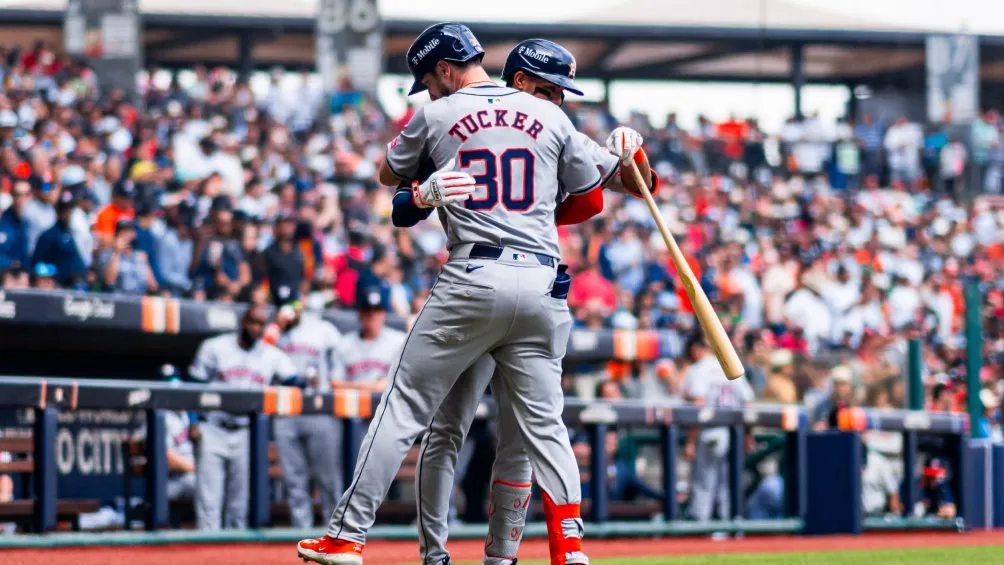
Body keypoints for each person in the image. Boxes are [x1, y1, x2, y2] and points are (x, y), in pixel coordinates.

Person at [298, 23, 608, 565]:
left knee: (403, 408)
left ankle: (348, 535)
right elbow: (592, 195)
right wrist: (629, 157)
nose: (427, 89)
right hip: (542, 282)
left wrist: (421, 192)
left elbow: (386, 175)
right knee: (544, 427)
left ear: (444, 68)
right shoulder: (552, 114)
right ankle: (569, 547)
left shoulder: (437, 114)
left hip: (474, 276)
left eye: (427, 79)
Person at [412, 38, 657, 565]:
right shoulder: (463, 118)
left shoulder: (552, 127)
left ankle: (500, 556)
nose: (558, 100)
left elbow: (640, 183)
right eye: (550, 89)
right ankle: (440, 554)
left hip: (498, 285)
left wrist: (632, 150)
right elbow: (403, 189)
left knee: (517, 439)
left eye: (563, 93)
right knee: (453, 429)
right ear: (520, 81)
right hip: (488, 281)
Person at [188, 304, 298, 530]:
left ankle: (233, 550)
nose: (256, 328)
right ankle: (207, 548)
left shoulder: (271, 355)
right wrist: (193, 422)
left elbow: (296, 382)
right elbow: (192, 388)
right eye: (252, 322)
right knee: (209, 501)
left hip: (246, 431)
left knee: (239, 503)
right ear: (243, 322)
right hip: (213, 427)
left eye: (261, 324)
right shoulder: (215, 347)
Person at [273, 301, 344, 529]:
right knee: (294, 481)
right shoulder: (274, 331)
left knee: (328, 479)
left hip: (318, 409)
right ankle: (300, 532)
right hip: (286, 412)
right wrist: (276, 327)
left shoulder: (323, 329)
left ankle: (334, 532)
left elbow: (341, 356)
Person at [683, 333, 754, 522]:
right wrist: (748, 436)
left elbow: (698, 405)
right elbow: (748, 403)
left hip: (710, 432)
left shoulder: (699, 368)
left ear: (696, 349)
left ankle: (701, 527)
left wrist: (690, 441)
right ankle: (730, 528)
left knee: (704, 483)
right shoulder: (730, 365)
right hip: (734, 434)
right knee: (728, 484)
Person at [332, 286, 406, 392]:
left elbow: (405, 382)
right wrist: (368, 387)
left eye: (377, 310)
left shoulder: (399, 342)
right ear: (359, 313)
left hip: (386, 401)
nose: (372, 315)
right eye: (367, 310)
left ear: (384, 314)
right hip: (354, 401)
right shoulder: (344, 344)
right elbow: (335, 383)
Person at [31, 190, 86, 288]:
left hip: (75, 284)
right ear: (58, 211)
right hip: (58, 285)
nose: (68, 213)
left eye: (70, 209)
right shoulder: (49, 235)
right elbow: (38, 264)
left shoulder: (72, 232)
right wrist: (53, 274)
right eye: (64, 209)